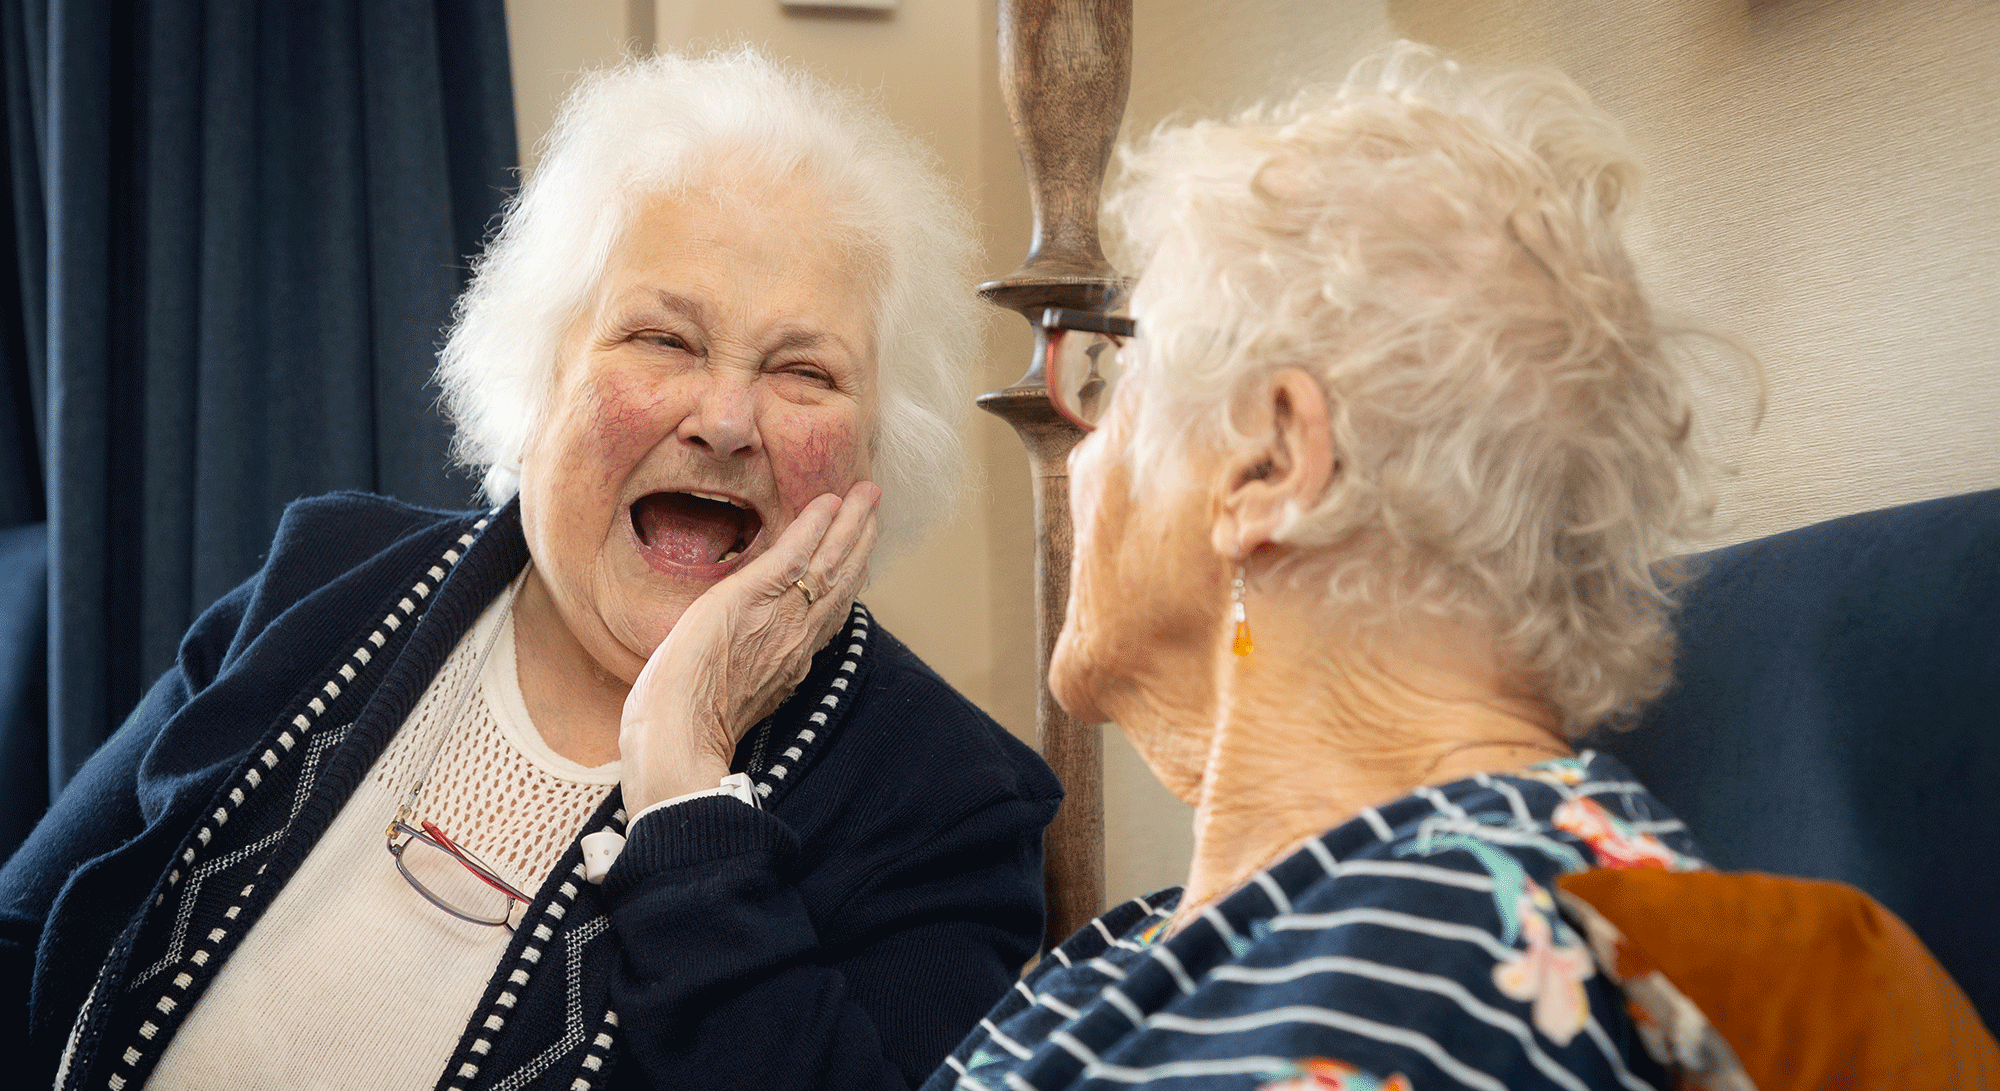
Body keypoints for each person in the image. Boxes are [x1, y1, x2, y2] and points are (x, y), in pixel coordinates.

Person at [2, 49, 1061, 1091]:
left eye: (804, 370)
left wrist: (686, 790)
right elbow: (23, 936)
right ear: (538, 368)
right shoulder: (324, 578)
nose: (727, 419)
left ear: (881, 446)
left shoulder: (947, 801)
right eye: (663, 337)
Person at [929, 45, 1729, 1091]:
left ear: (1266, 463)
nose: (1078, 452)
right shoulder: (1186, 935)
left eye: (1116, 373)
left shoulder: (1450, 965)